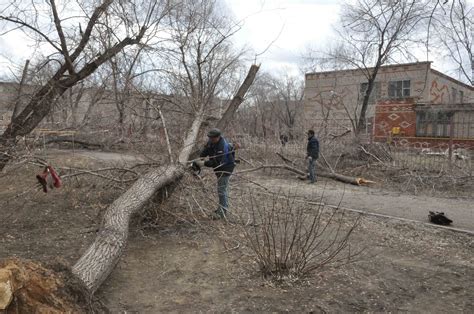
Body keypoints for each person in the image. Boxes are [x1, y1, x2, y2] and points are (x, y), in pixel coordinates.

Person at [196, 128, 235, 219]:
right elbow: (205, 151)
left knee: (221, 190)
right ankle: (222, 208)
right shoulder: (211, 142)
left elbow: (216, 162)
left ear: (218, 137)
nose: (211, 139)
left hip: (226, 168)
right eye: (210, 137)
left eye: (212, 138)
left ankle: (222, 212)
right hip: (218, 169)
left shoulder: (222, 147)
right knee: (222, 189)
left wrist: (204, 163)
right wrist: (200, 158)